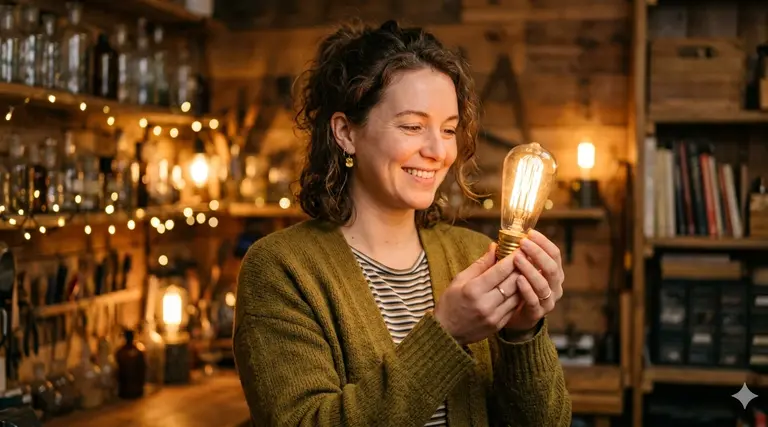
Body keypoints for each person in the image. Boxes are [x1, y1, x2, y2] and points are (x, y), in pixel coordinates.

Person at [233, 19, 572, 427]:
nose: (438, 151)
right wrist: (445, 335)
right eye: (413, 126)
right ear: (345, 132)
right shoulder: (280, 269)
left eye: (448, 130)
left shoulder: (473, 256)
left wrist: (522, 333)